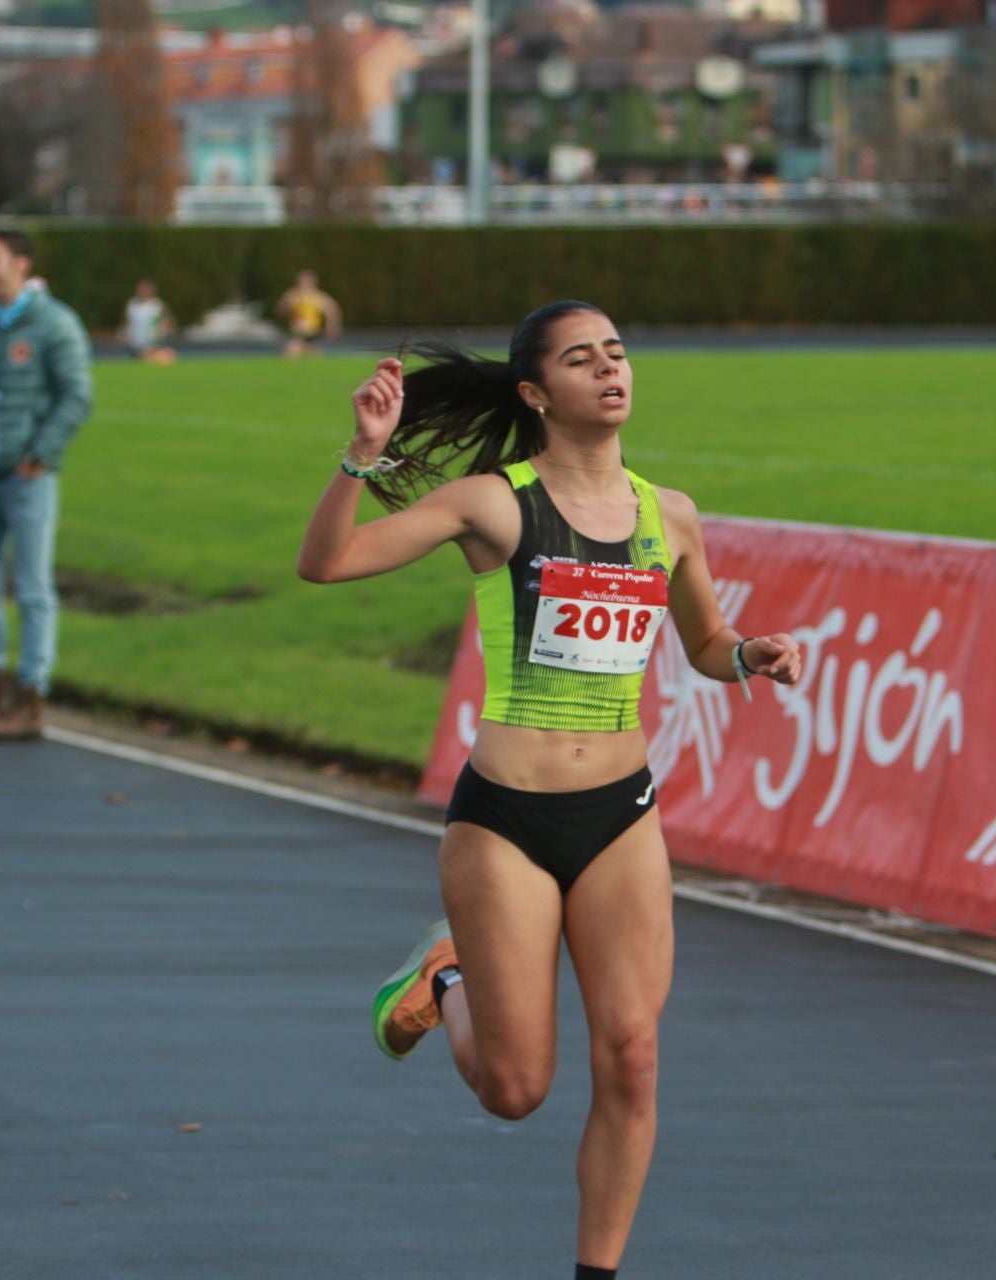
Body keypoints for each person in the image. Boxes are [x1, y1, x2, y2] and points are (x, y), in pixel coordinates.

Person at [296, 302, 803, 1279]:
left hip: (620, 817)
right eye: (583, 358)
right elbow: (327, 563)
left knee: (634, 1054)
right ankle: (445, 978)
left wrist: (748, 654)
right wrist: (359, 457)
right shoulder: (494, 504)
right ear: (536, 392)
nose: (611, 369)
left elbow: (700, 641)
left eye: (618, 351)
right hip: (506, 824)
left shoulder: (672, 514)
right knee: (515, 1087)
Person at [0, 230, 92, 741]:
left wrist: (41, 454)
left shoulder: (54, 323)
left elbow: (77, 395)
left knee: (31, 588)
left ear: (21, 264)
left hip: (25, 476)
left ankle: (30, 695)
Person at [277, 269, 341, 358]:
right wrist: (286, 304)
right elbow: (281, 310)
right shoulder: (293, 295)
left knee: (310, 354)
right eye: (303, 281)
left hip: (314, 332)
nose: (305, 283)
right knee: (292, 352)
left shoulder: (319, 297)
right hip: (297, 332)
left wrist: (331, 327)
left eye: (307, 281)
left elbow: (332, 311)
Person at [123, 278, 175, 365]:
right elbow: (125, 323)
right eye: (142, 288)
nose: (144, 291)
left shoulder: (157, 305)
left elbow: (169, 322)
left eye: (147, 289)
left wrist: (164, 329)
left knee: (167, 356)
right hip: (135, 344)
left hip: (153, 344)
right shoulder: (131, 305)